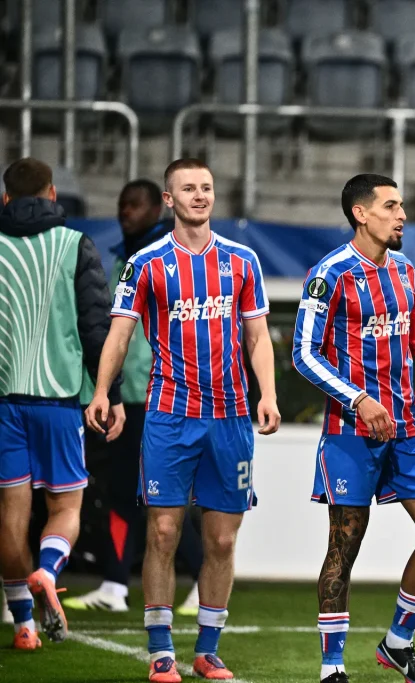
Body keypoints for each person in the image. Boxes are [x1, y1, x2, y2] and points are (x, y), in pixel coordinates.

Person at [85, 158, 281, 683]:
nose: (200, 196)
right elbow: (120, 333)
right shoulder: (145, 263)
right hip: (170, 415)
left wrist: (268, 393)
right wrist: (103, 390)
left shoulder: (242, 260)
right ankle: (160, 649)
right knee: (165, 530)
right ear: (168, 200)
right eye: (188, 189)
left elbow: (258, 335)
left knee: (220, 540)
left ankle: (209, 649)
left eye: (207, 187)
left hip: (233, 417)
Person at [291, 174, 415, 683]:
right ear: (361, 214)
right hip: (350, 434)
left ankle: (397, 641)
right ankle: (332, 666)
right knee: (345, 546)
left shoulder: (407, 272)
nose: (402, 215)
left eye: (403, 206)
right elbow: (303, 353)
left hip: (407, 428)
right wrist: (358, 400)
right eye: (391, 206)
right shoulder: (330, 275)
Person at [0, 157, 126, 650]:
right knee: (65, 505)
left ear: (6, 198)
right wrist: (109, 396)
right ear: (53, 195)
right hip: (58, 401)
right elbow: (98, 331)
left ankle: (24, 626)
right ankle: (49, 570)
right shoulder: (76, 245)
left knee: (11, 516)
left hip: (5, 402)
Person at [65, 179, 205, 616]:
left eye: (135, 204)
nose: (126, 211)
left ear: (156, 207)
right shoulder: (125, 261)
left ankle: (204, 578)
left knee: (158, 495)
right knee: (124, 491)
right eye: (122, 204)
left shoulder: (169, 257)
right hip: (131, 394)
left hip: (159, 395)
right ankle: (113, 584)